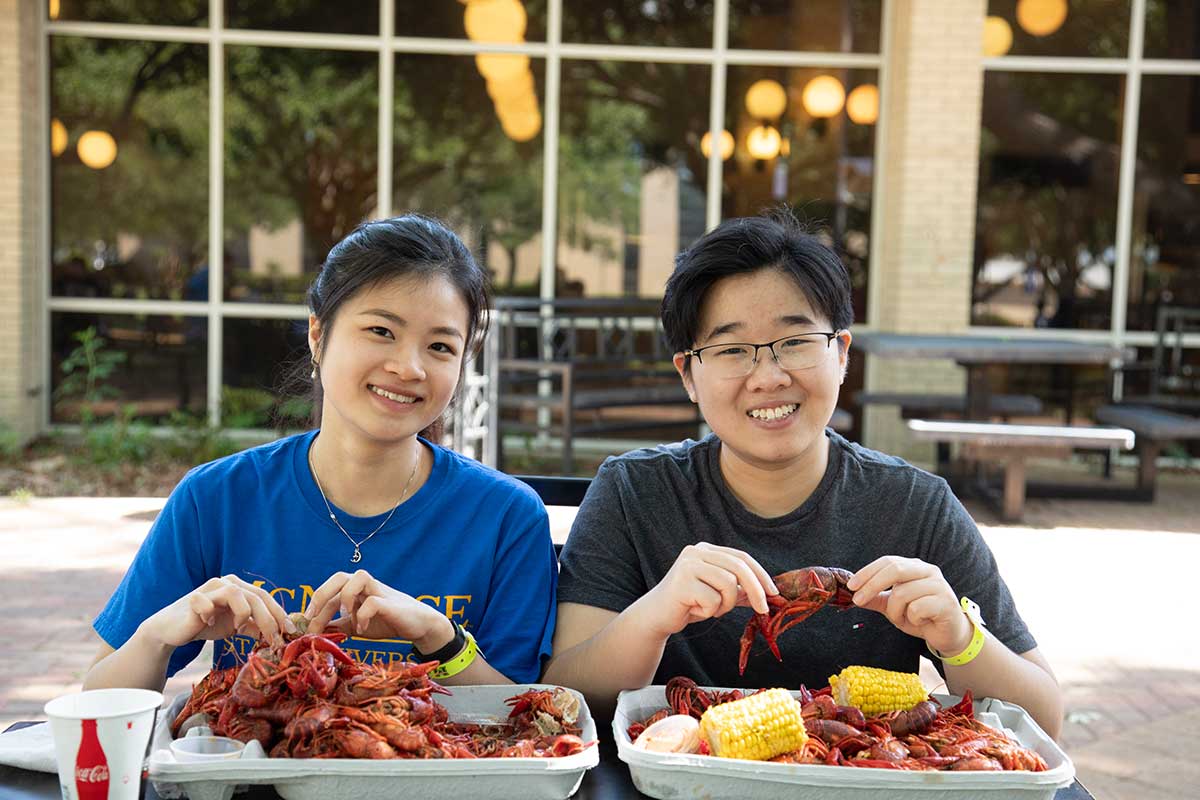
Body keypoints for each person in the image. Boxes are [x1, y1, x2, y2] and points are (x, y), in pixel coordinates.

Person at [542, 209, 1063, 738]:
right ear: (689, 375)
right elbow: (566, 697)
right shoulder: (634, 492)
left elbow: (1045, 721)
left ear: (841, 354)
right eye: (731, 350)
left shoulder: (916, 506)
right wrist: (652, 616)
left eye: (795, 342)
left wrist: (961, 638)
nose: (768, 376)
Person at [83, 214, 557, 690]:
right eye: (381, 331)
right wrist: (158, 637)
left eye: (439, 346)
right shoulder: (216, 499)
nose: (409, 367)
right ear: (317, 334)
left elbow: (524, 713)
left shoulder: (507, 518)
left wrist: (439, 636)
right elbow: (98, 699)